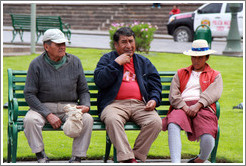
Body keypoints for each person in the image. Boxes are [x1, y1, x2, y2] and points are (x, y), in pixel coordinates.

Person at [23, 29, 93, 163]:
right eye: (58, 44)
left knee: (87, 119)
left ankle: (77, 157)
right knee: (30, 120)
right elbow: (29, 94)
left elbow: (83, 90)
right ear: (46, 46)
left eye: (64, 44)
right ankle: (40, 155)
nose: (62, 47)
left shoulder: (75, 62)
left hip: (69, 107)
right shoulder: (36, 64)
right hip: (43, 107)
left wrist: (85, 106)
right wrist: (48, 114)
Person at [94, 27, 162, 163]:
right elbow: (100, 81)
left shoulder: (143, 62)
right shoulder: (107, 59)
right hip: (114, 105)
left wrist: (154, 100)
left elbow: (155, 85)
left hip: (139, 105)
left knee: (155, 122)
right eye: (124, 42)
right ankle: (127, 159)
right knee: (112, 120)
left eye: (131, 41)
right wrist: (116, 63)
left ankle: (136, 156)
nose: (129, 46)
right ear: (116, 45)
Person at [162, 39, 223, 163]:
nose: (196, 60)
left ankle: (199, 160)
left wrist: (198, 105)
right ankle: (175, 163)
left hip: (203, 107)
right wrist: (184, 107)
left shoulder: (215, 75)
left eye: (200, 58)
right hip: (181, 106)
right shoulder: (180, 73)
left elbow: (214, 92)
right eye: (193, 57)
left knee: (208, 136)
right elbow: (174, 94)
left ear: (207, 57)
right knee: (173, 124)